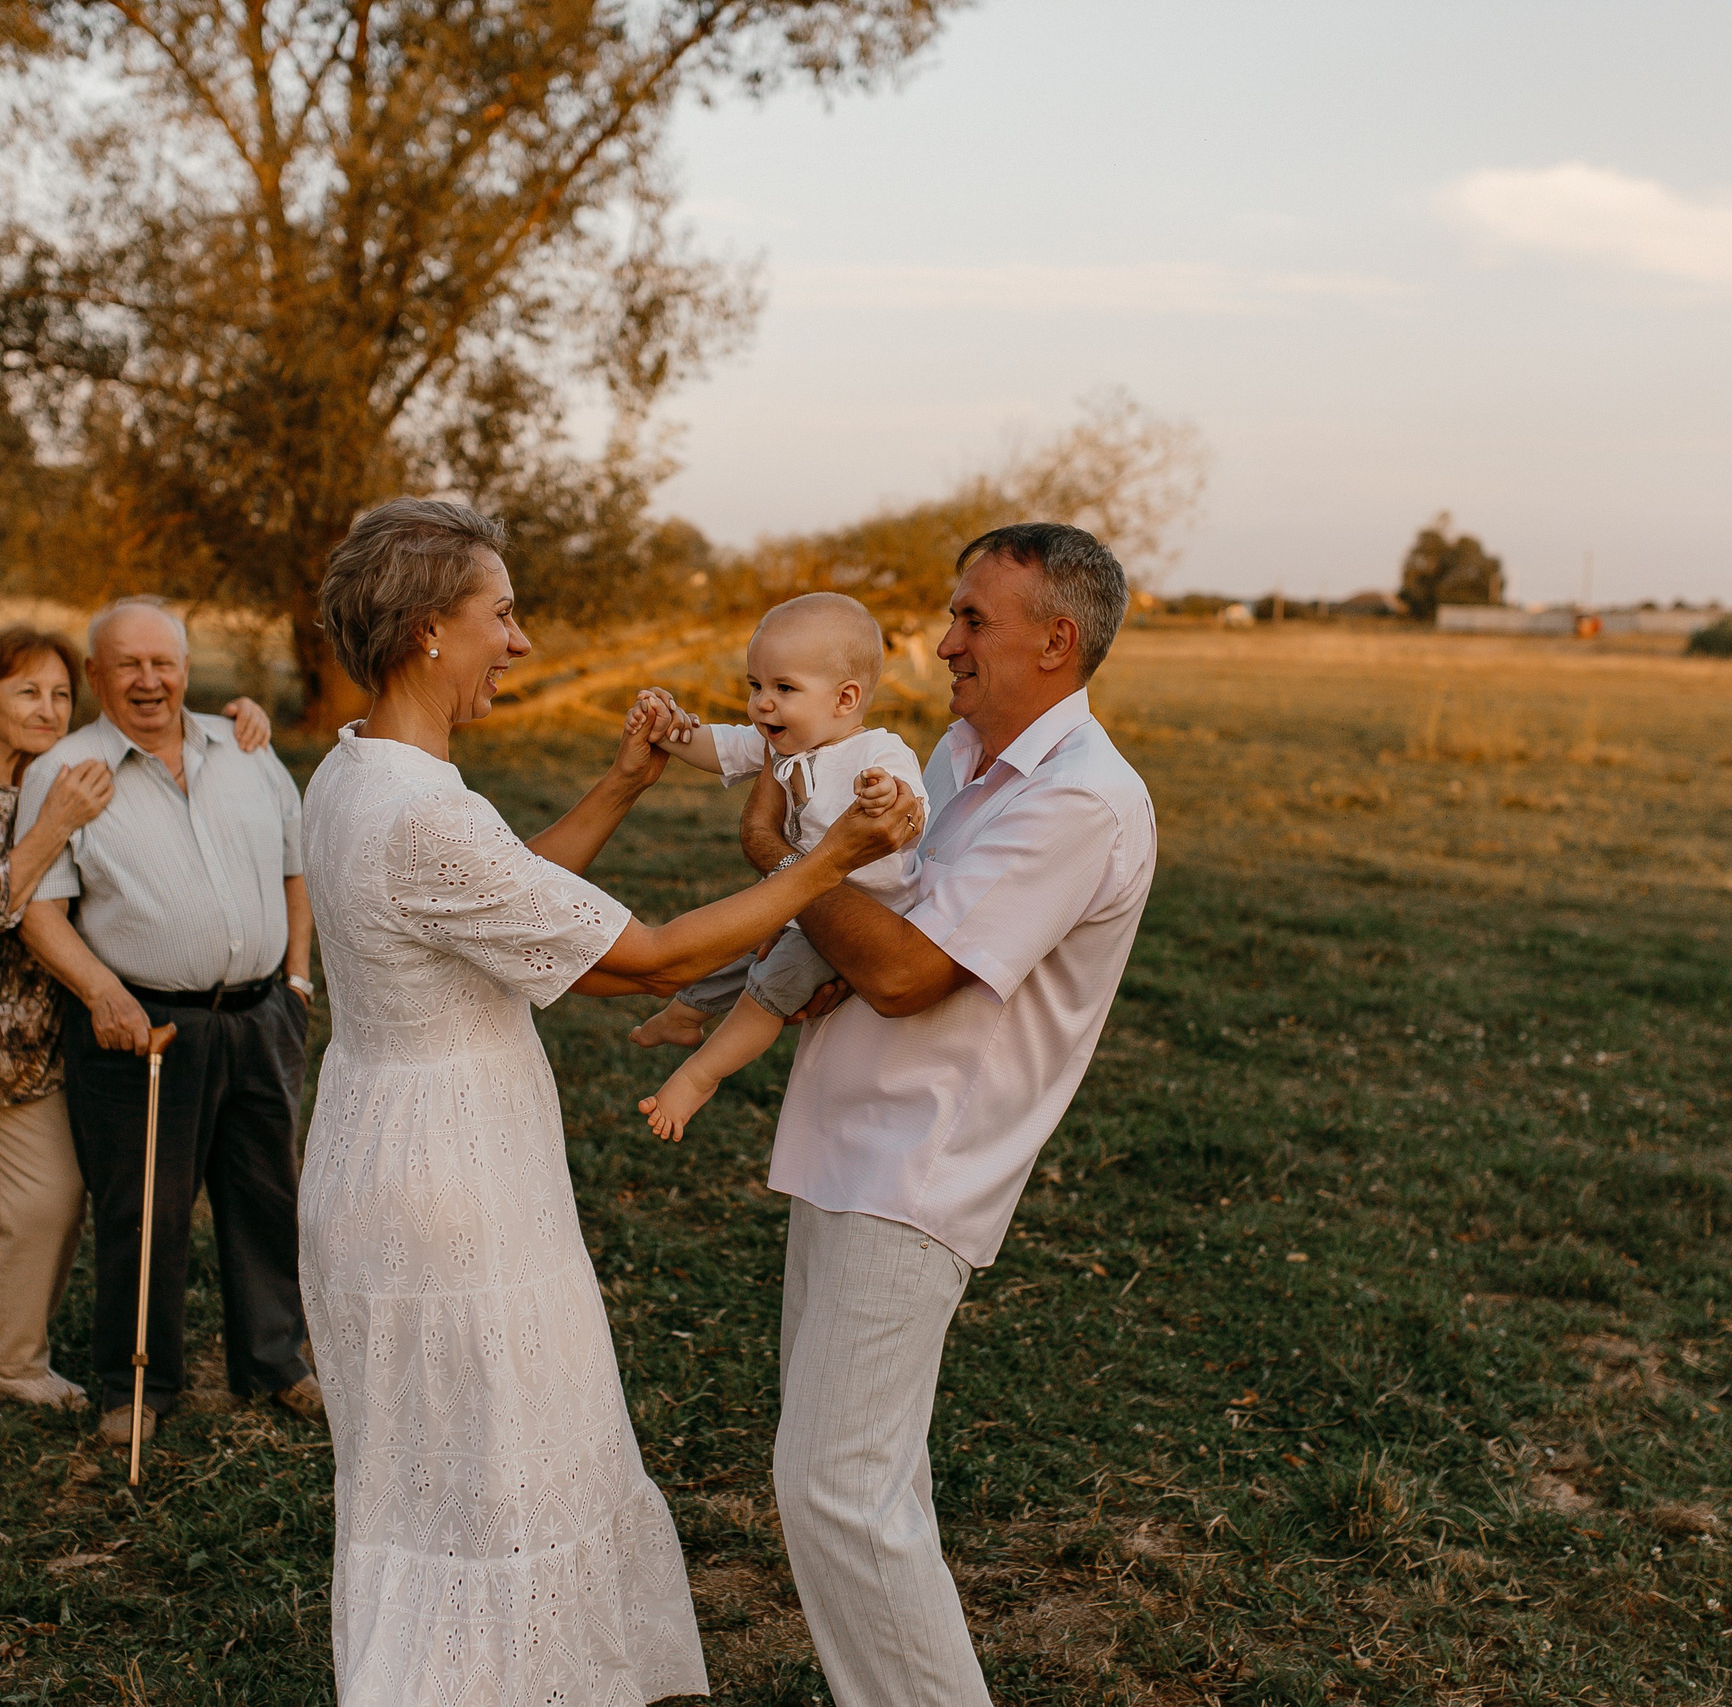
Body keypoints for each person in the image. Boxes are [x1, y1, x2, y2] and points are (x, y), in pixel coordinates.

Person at [294, 498, 921, 1707]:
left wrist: (624, 783)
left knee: (442, 1468)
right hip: (450, 1185)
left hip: (385, 1147)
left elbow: (495, 895)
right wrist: (825, 864)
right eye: (504, 614)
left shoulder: (352, 770)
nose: (519, 644)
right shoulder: (422, 812)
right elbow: (649, 959)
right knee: (500, 1462)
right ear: (430, 630)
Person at [739, 523, 1158, 1707]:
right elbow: (876, 921)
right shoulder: (958, 758)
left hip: (922, 1170)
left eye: (972, 619)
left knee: (835, 1487)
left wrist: (787, 857)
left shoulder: (1083, 803)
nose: (942, 643)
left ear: (1056, 639)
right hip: (845, 1141)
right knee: (865, 1481)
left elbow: (909, 972)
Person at [0, 624, 272, 1429]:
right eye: (24, 692)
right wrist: (53, 825)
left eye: (58, 694)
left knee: (49, 1199)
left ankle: (17, 1364)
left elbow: (159, 741)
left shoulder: (64, 769)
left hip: (26, 1042)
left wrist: (240, 717)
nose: (47, 708)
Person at [15, 596, 319, 1444]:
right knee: (142, 1208)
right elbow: (39, 913)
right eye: (128, 665)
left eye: (165, 662)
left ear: (186, 668)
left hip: (261, 1014)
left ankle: (276, 1360)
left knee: (267, 1195)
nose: (150, 680)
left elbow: (297, 868)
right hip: (140, 1027)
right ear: (95, 675)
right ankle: (136, 1386)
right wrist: (104, 994)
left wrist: (297, 977)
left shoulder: (246, 748)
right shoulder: (66, 772)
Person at [627, 592, 924, 1143]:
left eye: (784, 689)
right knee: (739, 941)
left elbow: (911, 807)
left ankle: (699, 1078)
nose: (762, 704)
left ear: (845, 698)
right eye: (755, 686)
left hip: (858, 913)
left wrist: (885, 794)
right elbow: (713, 744)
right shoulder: (779, 745)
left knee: (769, 986)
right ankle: (687, 1012)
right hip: (799, 902)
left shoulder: (877, 752)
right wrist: (666, 727)